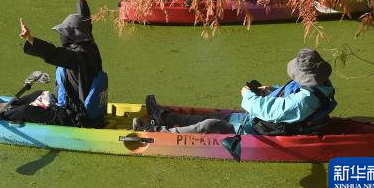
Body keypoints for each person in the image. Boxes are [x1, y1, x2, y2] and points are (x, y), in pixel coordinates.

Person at [0, 0, 108, 128]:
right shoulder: (90, 45)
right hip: (79, 110)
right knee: (38, 94)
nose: (62, 36)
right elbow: (85, 22)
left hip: (73, 117)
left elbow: (52, 53)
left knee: (26, 111)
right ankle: (0, 106)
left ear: (73, 37)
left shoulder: (76, 57)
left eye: (64, 32)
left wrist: (30, 38)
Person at [134, 48, 336, 136]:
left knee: (210, 124)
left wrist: (248, 96)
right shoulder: (318, 85)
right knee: (218, 115)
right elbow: (290, 98)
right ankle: (165, 116)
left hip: (264, 131)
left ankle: (158, 133)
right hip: (262, 122)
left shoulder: (306, 100)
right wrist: (271, 90)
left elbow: (273, 112)